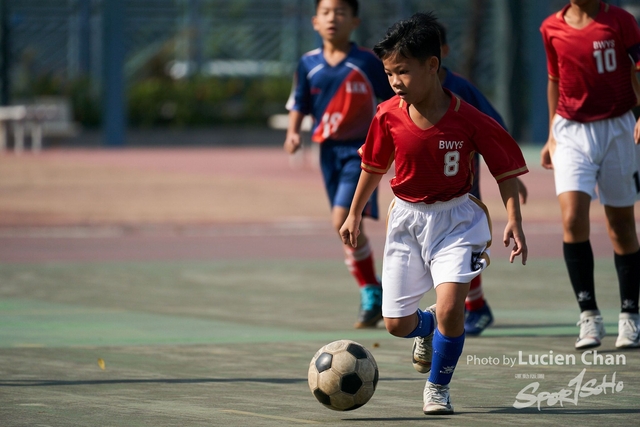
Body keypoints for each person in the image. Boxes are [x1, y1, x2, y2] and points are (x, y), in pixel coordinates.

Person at [340, 12, 528, 415]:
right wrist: (355, 213)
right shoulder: (387, 114)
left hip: (457, 221)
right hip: (407, 220)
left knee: (451, 308)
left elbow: (505, 169)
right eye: (390, 73)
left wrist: (514, 218)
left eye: (403, 71)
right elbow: (372, 167)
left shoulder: (469, 119)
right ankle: (426, 328)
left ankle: (437, 388)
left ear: (432, 65)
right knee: (396, 324)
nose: (394, 81)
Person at [283, 0, 395, 329]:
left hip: (360, 153)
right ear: (315, 21)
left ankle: (370, 290)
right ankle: (373, 288)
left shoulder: (367, 62)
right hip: (328, 152)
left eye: (341, 12)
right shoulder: (308, 64)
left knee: (342, 220)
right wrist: (293, 132)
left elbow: (390, 100)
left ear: (355, 21)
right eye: (327, 13)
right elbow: (299, 101)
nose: (334, 18)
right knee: (346, 225)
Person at [540, 0, 640, 349]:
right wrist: (552, 133)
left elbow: (638, 66)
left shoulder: (621, 21)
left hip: (618, 128)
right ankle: (589, 317)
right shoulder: (551, 27)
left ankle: (630, 316)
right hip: (571, 131)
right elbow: (554, 80)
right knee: (572, 219)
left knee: (622, 226)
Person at [435, 21, 529, 336]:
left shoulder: (461, 90)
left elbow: (495, 129)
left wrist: (512, 174)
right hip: (424, 195)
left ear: (441, 54)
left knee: (461, 248)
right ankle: (466, 307)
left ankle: (475, 307)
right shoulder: (404, 92)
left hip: (463, 192)